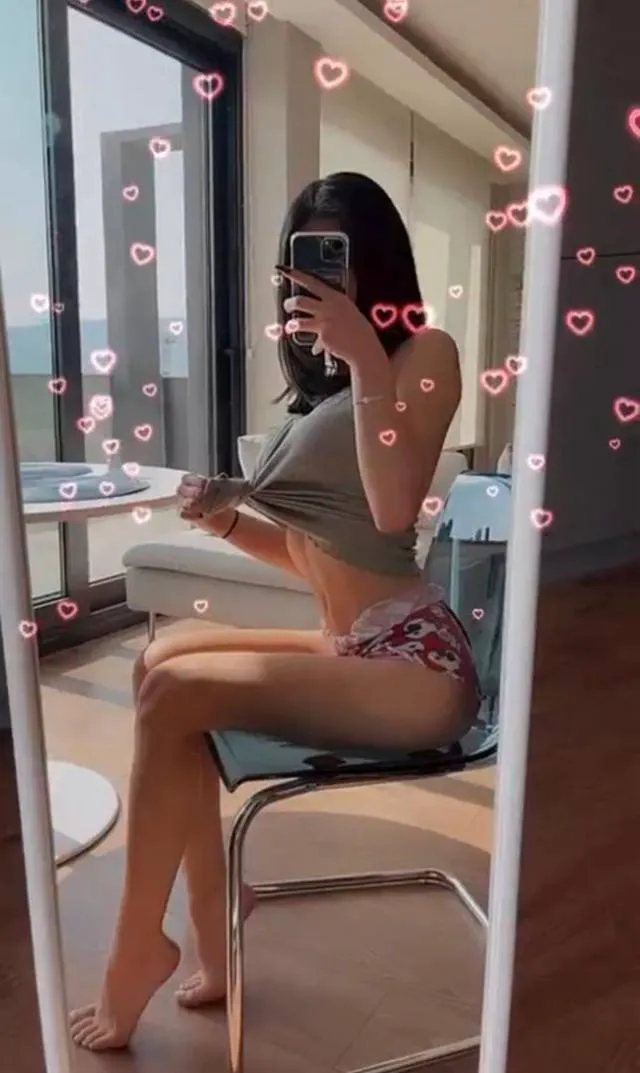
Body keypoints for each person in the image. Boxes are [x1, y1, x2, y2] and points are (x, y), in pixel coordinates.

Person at [69, 171, 481, 1051]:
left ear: (377, 260)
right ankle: (214, 929)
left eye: (338, 255)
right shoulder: (329, 393)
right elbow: (313, 554)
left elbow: (392, 512)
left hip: (417, 662)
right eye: (304, 263)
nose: (319, 279)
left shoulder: (425, 355)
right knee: (158, 661)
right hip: (354, 644)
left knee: (174, 693)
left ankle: (137, 947)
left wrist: (365, 355)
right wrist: (225, 518)